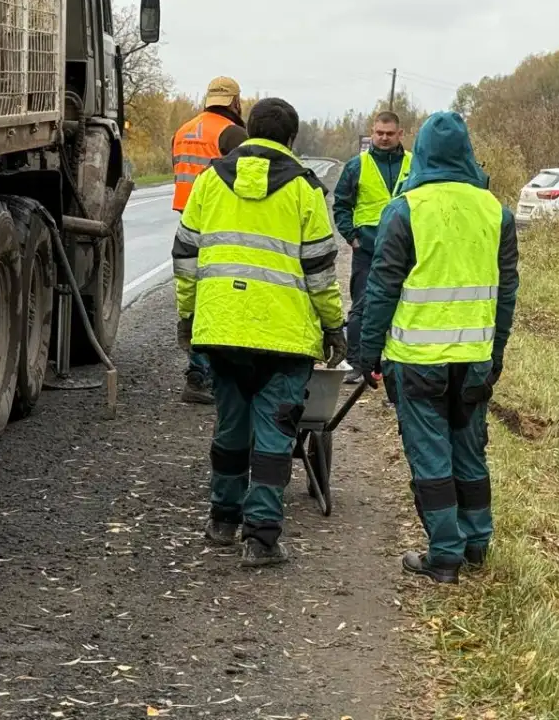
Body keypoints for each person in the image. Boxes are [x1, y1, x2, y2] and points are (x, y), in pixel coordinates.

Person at [171, 97, 347, 567]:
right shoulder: (305, 191)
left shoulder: (210, 181)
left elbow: (185, 258)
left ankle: (222, 521)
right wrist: (334, 327)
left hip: (221, 331)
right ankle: (262, 539)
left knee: (231, 424)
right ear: (292, 139)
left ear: (249, 132)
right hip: (284, 338)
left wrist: (189, 317)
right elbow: (320, 274)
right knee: (274, 433)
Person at [359, 110, 518, 584]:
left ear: (421, 152)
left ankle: (443, 555)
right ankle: (476, 544)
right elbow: (507, 291)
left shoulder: (404, 210)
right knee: (469, 453)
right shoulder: (496, 212)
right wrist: (497, 354)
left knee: (431, 456)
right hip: (474, 360)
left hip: (418, 362)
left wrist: (369, 354)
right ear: (467, 153)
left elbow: (381, 288)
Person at [171, 76, 249, 405]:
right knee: (217, 299)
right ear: (234, 102)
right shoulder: (233, 134)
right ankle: (202, 375)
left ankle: (199, 373)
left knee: (198, 293)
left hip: (188, 219)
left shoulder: (183, 130)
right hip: (218, 222)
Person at [332, 111, 413, 385]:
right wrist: (352, 237)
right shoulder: (357, 165)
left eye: (390, 133)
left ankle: (393, 364)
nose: (384, 138)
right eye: (379, 133)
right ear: (372, 133)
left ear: (400, 134)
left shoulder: (415, 164)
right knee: (362, 308)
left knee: (405, 306)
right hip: (367, 250)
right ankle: (356, 363)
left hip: (407, 250)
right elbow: (341, 204)